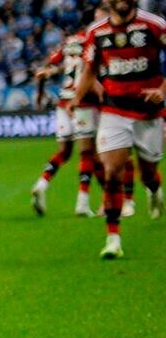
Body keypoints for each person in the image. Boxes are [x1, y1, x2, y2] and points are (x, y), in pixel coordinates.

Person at [71, 0, 166, 259]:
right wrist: (77, 99)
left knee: (148, 172)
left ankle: (154, 189)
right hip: (114, 109)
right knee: (112, 171)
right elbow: (89, 69)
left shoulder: (154, 25)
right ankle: (113, 238)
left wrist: (162, 90)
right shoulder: (96, 31)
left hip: (149, 111)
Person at [30, 19, 100, 218]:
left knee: (64, 151)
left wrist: (40, 93)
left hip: (63, 101)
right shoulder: (94, 41)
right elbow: (90, 71)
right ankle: (82, 202)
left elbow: (48, 68)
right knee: (87, 153)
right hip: (82, 101)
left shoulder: (68, 43)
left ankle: (41, 184)